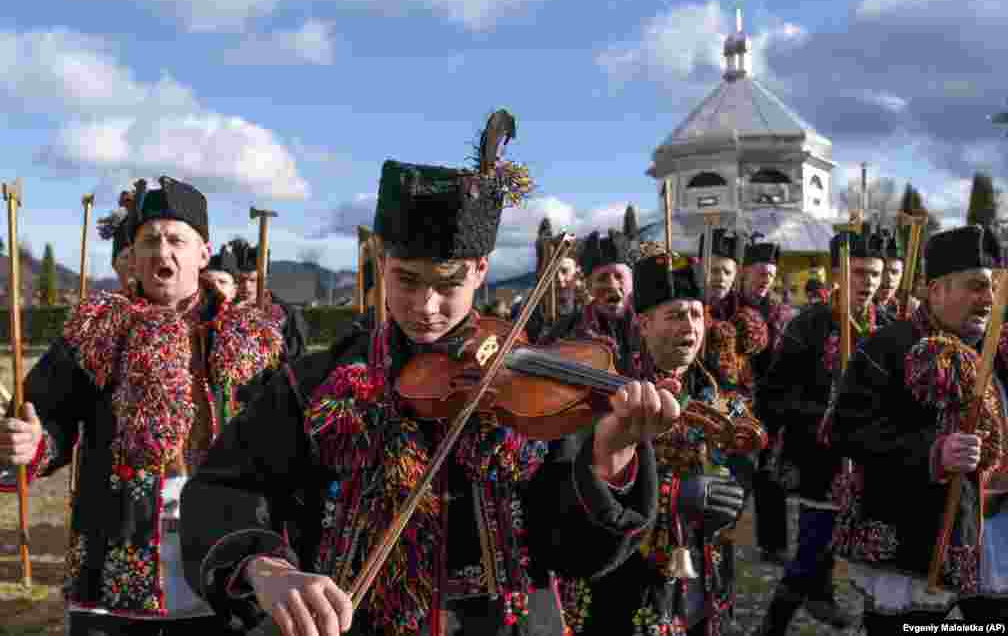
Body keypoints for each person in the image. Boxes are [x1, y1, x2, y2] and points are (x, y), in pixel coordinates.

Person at [179, 113, 675, 636]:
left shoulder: (534, 386)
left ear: (481, 270)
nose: (426, 306)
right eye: (407, 280)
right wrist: (267, 567)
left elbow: (575, 553)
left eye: (449, 283)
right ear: (380, 259)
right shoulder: (316, 382)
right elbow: (224, 487)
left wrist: (611, 455)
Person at [0, 176, 285, 636]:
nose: (161, 252)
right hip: (117, 547)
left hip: (222, 545)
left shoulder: (250, 339)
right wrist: (31, 442)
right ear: (133, 254)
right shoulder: (96, 330)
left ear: (203, 253)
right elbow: (47, 414)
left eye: (175, 239)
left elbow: (283, 443)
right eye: (149, 240)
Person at [558, 249, 752, 635]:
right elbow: (583, 482)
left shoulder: (718, 389)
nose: (691, 328)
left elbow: (742, 463)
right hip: (630, 573)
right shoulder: (614, 392)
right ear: (644, 324)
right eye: (676, 316)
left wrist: (733, 488)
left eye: (696, 315)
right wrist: (673, 493)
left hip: (702, 563)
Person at [830, 225, 1008, 631]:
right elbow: (846, 429)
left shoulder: (1000, 349)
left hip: (995, 540)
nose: (988, 299)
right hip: (914, 541)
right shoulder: (886, 347)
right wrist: (934, 452)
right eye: (976, 286)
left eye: (993, 287)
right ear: (936, 289)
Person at [753, 227, 888, 634]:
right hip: (819, 459)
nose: (868, 283)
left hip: (872, 459)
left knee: (854, 550)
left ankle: (822, 597)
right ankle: (773, 625)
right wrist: (826, 415)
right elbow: (773, 396)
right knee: (813, 546)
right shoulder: (807, 326)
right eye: (859, 272)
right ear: (836, 275)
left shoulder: (889, 328)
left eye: (875, 274)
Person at [709, 236, 795, 567]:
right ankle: (720, 534)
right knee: (736, 476)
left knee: (770, 477)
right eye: (760, 273)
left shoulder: (777, 311)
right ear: (744, 273)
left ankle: (773, 544)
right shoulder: (724, 306)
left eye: (770, 276)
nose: (765, 281)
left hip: (769, 402)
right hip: (733, 402)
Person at [540, 229, 640, 374]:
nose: (612, 285)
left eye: (619, 276)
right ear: (589, 286)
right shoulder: (569, 326)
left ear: (632, 280)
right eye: (602, 278)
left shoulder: (653, 319)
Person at [228, 238, 309, 362]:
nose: (246, 286)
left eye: (252, 280)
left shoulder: (287, 314)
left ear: (265, 281)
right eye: (241, 280)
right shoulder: (224, 311)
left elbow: (296, 360)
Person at [96, 190, 137, 294]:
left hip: (124, 250)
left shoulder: (124, 211)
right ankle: (130, 291)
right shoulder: (133, 213)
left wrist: (104, 221)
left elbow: (108, 230)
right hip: (126, 249)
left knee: (125, 271)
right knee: (125, 272)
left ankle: (130, 292)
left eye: (124, 200)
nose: (121, 203)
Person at [699, 228, 743, 306]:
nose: (722, 278)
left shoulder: (742, 312)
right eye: (714, 270)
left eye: (728, 273)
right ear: (699, 269)